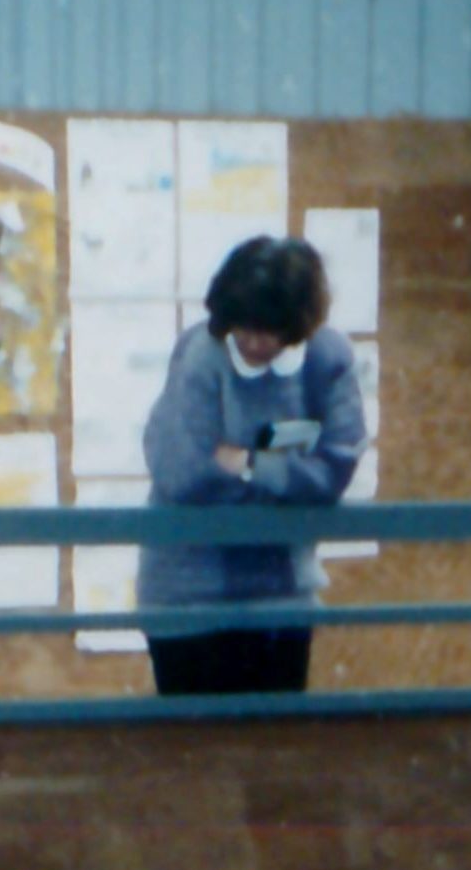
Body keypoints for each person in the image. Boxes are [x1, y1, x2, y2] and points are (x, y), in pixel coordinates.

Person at [137, 236, 367, 695]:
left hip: (282, 599)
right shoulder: (202, 353)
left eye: (269, 331)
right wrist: (288, 480)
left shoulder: (327, 361)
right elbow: (181, 472)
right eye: (242, 328)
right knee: (198, 754)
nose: (252, 342)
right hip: (188, 599)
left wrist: (247, 464)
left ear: (297, 325)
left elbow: (335, 471)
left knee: (273, 754)